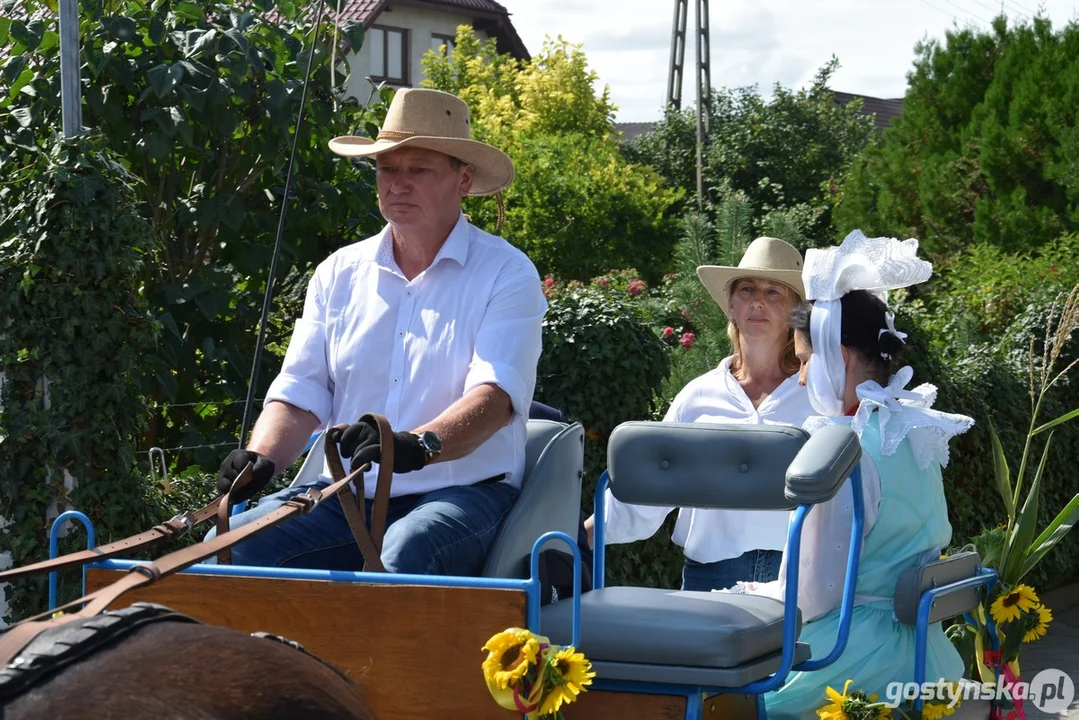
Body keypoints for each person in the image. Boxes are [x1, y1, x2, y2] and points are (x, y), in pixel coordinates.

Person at [208, 88, 547, 577]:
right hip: (346, 495)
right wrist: (261, 458)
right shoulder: (338, 272)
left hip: (461, 493)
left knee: (405, 552)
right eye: (387, 169)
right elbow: (302, 392)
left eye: (419, 170)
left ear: (464, 178)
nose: (398, 185)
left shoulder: (507, 273)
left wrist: (419, 444)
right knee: (222, 547)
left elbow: (494, 397)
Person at [736, 230, 974, 719]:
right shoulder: (911, 427)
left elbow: (816, 595)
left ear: (836, 356)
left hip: (849, 659)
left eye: (804, 361)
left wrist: (751, 597)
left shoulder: (842, 448)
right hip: (921, 652)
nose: (801, 376)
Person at [584, 236, 816, 592]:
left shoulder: (816, 394)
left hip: (799, 574)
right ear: (731, 306)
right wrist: (578, 535)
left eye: (774, 292)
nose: (757, 301)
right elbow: (651, 485)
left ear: (795, 310)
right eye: (747, 289)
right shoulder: (698, 395)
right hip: (710, 575)